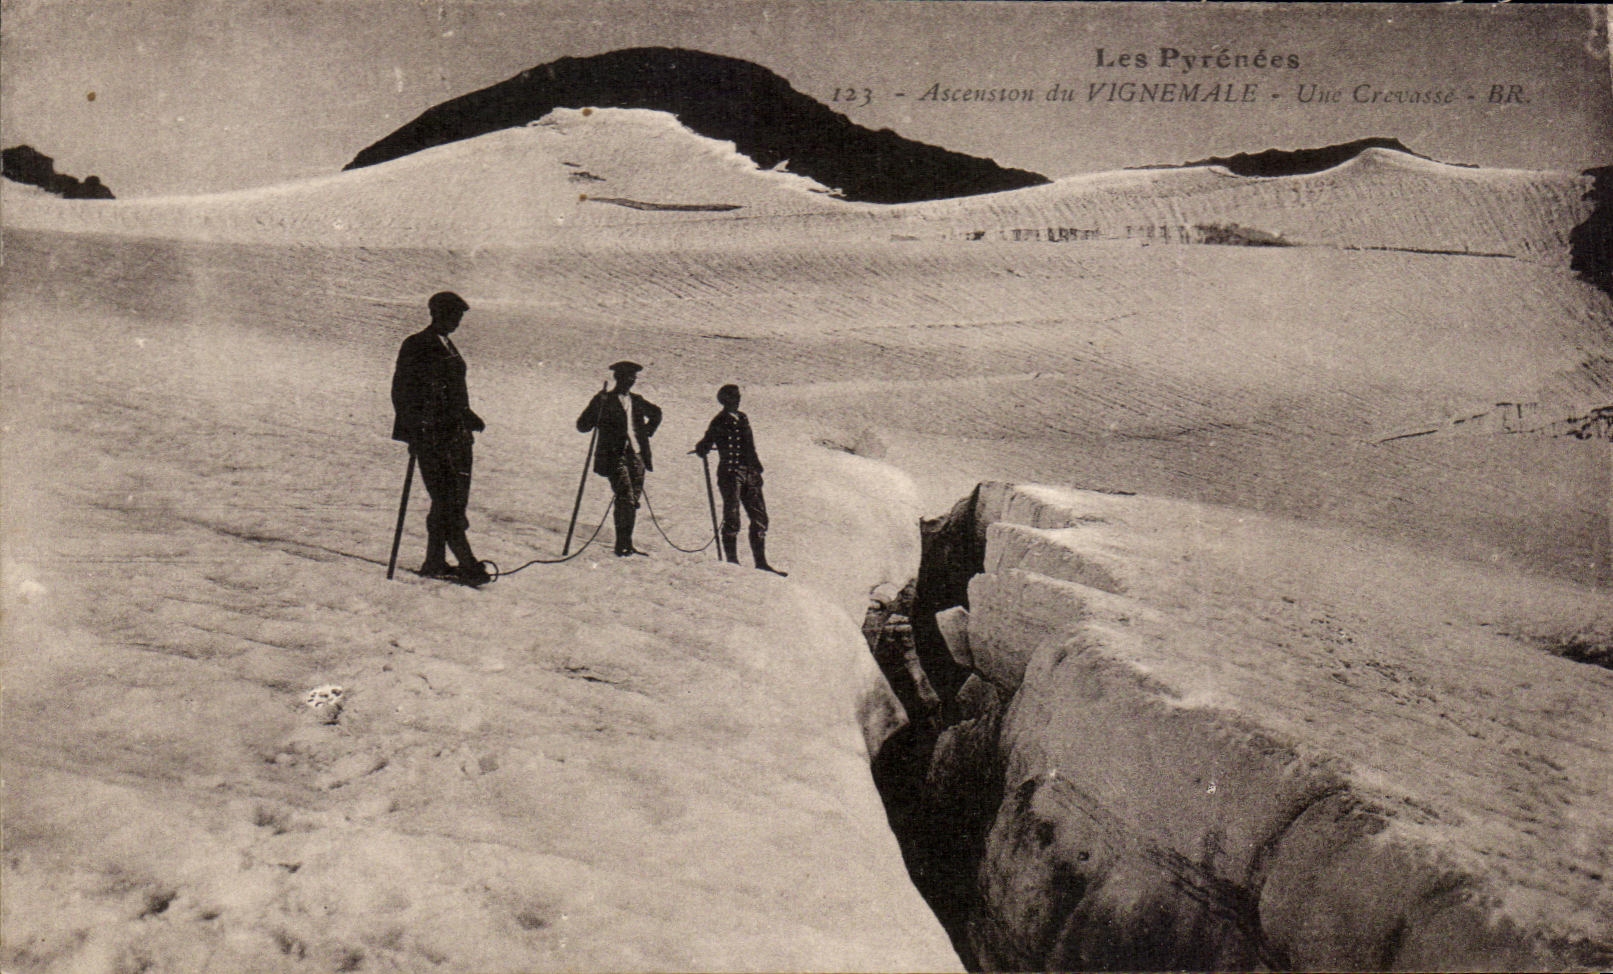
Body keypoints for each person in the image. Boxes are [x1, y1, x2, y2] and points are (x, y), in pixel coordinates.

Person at [390, 291, 490, 585]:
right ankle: (468, 564)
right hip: (433, 437)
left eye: (459, 317)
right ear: (436, 314)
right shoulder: (417, 344)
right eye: (452, 316)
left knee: (450, 501)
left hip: (456, 437)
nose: (456, 322)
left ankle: (434, 561)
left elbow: (453, 391)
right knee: (448, 502)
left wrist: (468, 415)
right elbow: (402, 391)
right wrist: (414, 431)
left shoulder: (447, 345)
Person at [693, 384, 784, 575]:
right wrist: (702, 448)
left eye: (738, 396)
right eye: (734, 397)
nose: (738, 399)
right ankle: (732, 561)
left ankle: (761, 562)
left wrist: (756, 470)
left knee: (760, 517)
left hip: (750, 473)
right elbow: (706, 442)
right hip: (730, 474)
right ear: (725, 400)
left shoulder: (743, 418)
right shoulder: (719, 420)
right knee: (732, 517)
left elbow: (751, 446)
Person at [577, 361, 663, 557]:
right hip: (613, 457)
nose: (630, 381)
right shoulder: (604, 400)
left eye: (633, 378)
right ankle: (621, 545)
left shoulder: (637, 400)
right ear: (618, 378)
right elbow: (582, 426)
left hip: (637, 456)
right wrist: (596, 408)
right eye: (626, 378)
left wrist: (647, 431)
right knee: (625, 497)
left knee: (632, 500)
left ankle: (626, 543)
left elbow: (657, 413)